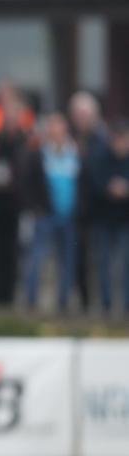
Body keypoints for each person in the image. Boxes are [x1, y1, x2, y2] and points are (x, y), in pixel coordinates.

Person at [21, 113, 83, 311]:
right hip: (45, 216)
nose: (56, 133)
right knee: (37, 258)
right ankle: (31, 300)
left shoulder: (75, 154)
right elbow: (28, 183)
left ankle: (63, 301)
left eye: (60, 129)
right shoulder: (39, 155)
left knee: (67, 261)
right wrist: (36, 208)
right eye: (53, 129)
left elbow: (82, 184)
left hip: (69, 216)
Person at [68, 91, 110, 311]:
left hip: (98, 210)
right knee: (77, 259)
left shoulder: (103, 140)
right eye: (77, 115)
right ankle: (83, 301)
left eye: (84, 115)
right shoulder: (69, 138)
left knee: (101, 259)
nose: (81, 120)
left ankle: (104, 303)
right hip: (75, 209)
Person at [89, 120, 129, 314]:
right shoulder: (101, 158)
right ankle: (106, 303)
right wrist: (109, 188)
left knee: (126, 264)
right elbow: (95, 184)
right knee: (103, 263)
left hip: (125, 220)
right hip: (104, 219)